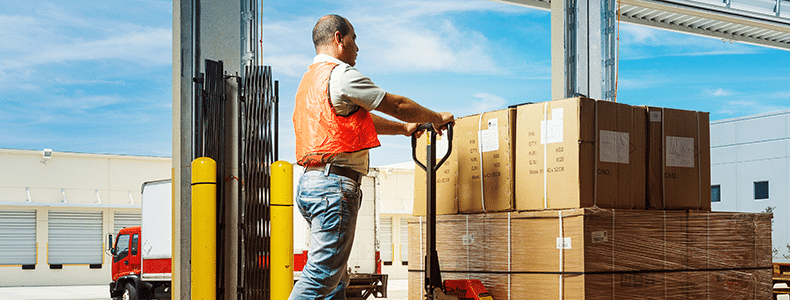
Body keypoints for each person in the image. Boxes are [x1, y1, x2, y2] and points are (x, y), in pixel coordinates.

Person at [290, 14, 455, 300]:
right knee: (320, 280)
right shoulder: (340, 75)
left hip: (311, 184)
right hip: (334, 187)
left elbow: (362, 121)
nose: (358, 48)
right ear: (339, 39)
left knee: (336, 282)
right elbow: (396, 104)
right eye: (354, 39)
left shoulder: (310, 82)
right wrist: (435, 117)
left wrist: (404, 129)